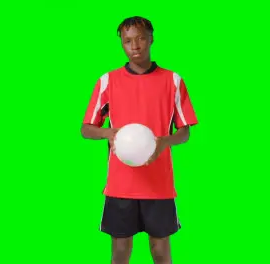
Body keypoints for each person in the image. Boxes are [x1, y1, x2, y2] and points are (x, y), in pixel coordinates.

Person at [81, 16, 198, 264]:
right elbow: (86, 128)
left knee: (160, 250)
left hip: (159, 184)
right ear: (122, 44)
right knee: (121, 251)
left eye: (141, 38)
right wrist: (107, 133)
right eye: (128, 41)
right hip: (120, 183)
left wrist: (164, 142)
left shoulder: (173, 81)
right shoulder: (107, 81)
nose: (135, 46)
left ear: (151, 39)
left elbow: (184, 132)